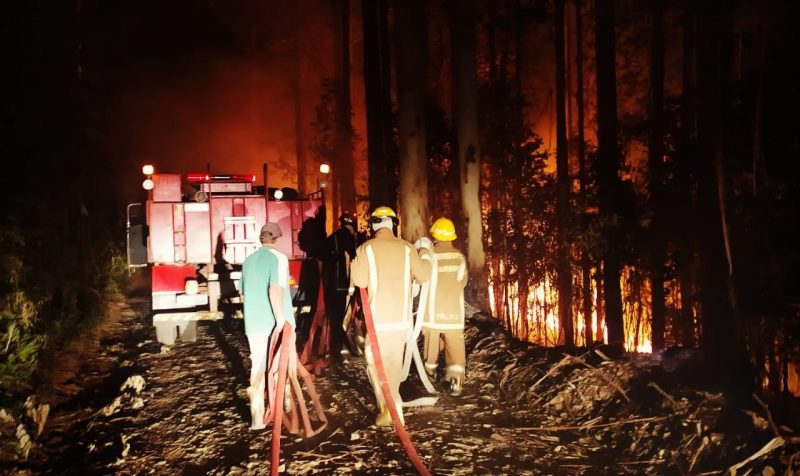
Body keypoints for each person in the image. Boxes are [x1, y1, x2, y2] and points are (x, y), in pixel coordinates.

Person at [350, 206, 431, 426]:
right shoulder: (407, 248)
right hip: (401, 323)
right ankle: (393, 408)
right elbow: (424, 275)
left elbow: (360, 281)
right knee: (393, 367)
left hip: (377, 323)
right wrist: (424, 253)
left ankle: (388, 409)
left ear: (373, 225)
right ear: (394, 224)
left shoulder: (366, 248)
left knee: (375, 366)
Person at [239, 222, 296, 430]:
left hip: (253, 323)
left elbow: (242, 292)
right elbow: (275, 289)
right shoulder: (279, 258)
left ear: (261, 238)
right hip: (276, 321)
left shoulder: (248, 261)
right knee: (284, 362)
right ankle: (286, 405)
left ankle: (257, 418)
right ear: (277, 239)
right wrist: (280, 319)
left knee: (258, 365)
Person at [418, 217, 468, 396]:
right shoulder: (459, 257)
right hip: (454, 313)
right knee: (455, 345)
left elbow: (421, 278)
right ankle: (456, 382)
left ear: (434, 236)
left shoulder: (429, 257)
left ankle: (430, 374)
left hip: (432, 313)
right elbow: (463, 282)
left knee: (431, 344)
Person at [323, 211, 358, 363]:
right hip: (343, 285)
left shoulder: (332, 238)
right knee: (340, 319)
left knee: (335, 318)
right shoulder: (349, 238)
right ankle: (340, 350)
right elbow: (354, 258)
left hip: (331, 285)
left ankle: (336, 349)